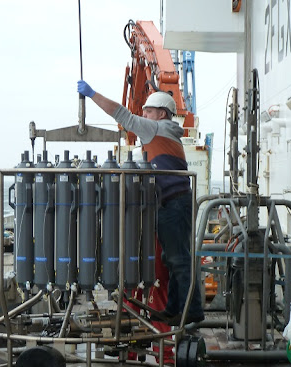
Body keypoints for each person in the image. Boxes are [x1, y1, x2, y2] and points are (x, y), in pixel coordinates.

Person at [77, 80, 204, 325]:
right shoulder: (166, 133)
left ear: (161, 114)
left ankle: (193, 309)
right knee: (172, 258)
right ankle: (174, 309)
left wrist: (92, 94)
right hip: (174, 202)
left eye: (148, 111)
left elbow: (121, 114)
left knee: (179, 259)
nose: (143, 115)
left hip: (173, 203)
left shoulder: (155, 129)